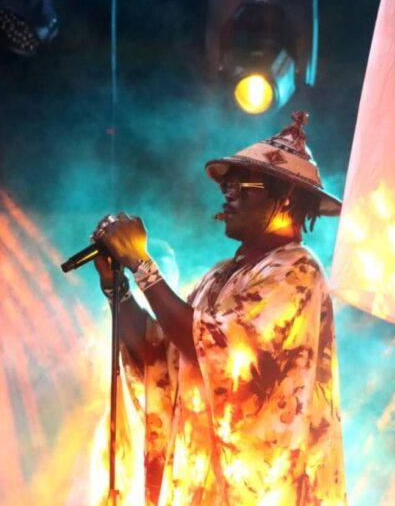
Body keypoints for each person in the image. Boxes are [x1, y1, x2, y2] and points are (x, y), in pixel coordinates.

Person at [90, 111, 346, 505]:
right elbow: (162, 357)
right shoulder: (218, 276)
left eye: (244, 185)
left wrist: (143, 265)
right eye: (228, 184)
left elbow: (222, 354)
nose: (229, 193)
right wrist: (118, 289)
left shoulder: (297, 271)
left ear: (286, 198)